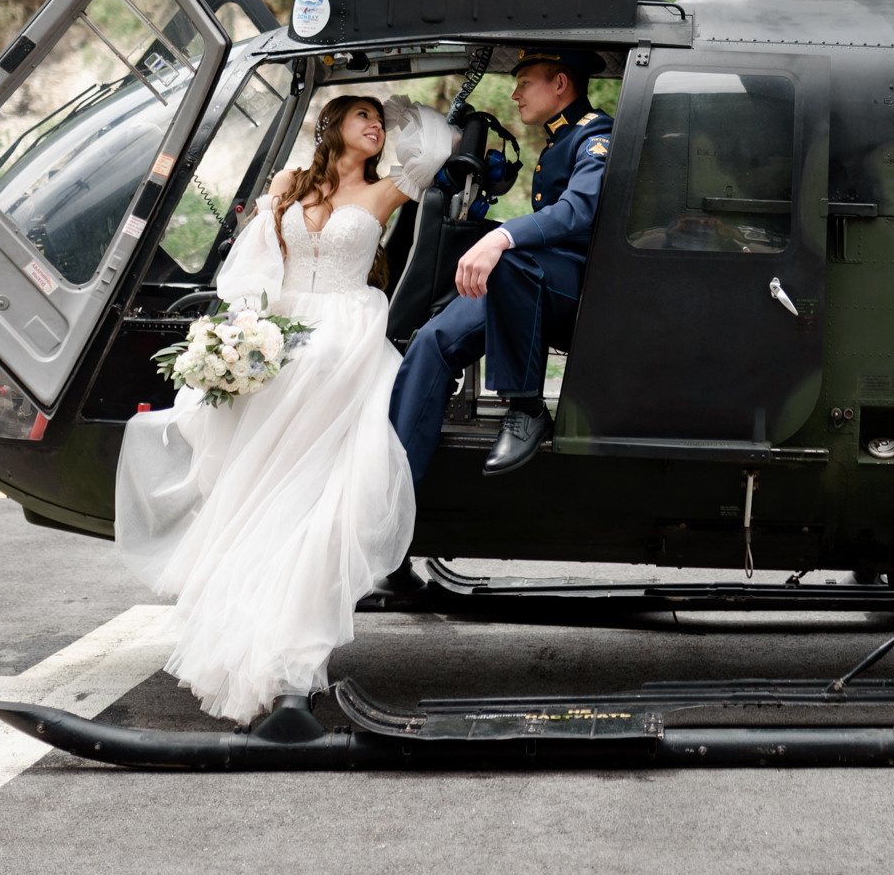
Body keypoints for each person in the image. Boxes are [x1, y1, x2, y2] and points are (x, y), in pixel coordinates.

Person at [114, 93, 450, 725]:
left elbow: (436, 144)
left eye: (378, 121)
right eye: (361, 116)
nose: (374, 127)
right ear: (332, 127)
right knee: (260, 473)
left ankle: (294, 633)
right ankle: (250, 610)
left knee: (320, 456)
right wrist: (243, 330)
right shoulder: (291, 184)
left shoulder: (387, 192)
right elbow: (254, 265)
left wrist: (398, 111)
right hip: (282, 328)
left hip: (347, 331)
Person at [388, 48, 612, 480]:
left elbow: (577, 211)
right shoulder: (560, 137)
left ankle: (526, 407)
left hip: (577, 286)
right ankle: (397, 481)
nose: (515, 94)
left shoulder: (595, 134)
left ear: (560, 83)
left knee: (507, 259)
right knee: (432, 341)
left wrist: (501, 237)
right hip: (529, 276)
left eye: (524, 83)